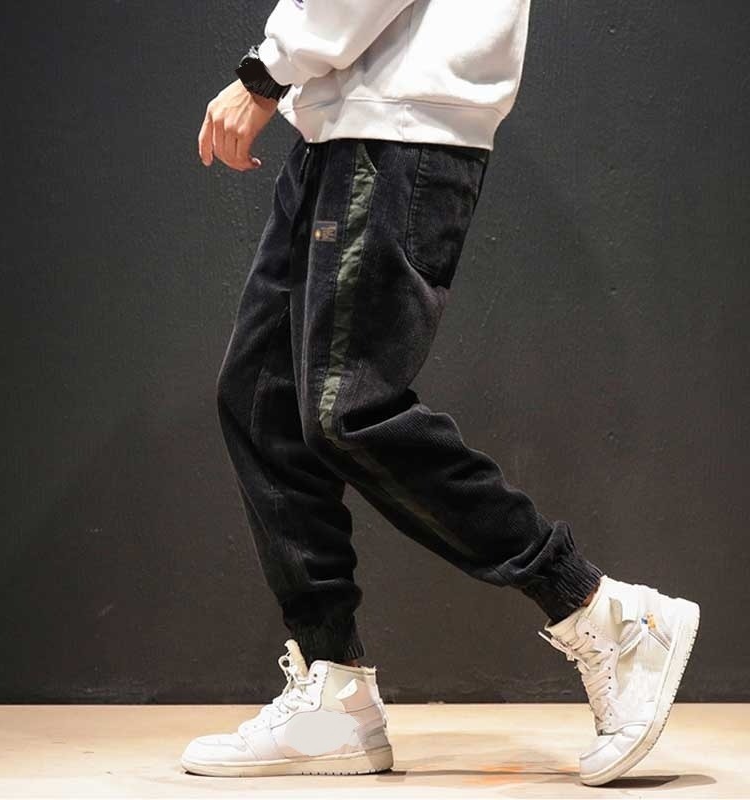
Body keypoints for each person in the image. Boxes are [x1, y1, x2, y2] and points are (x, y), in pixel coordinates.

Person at [182, 0, 700, 786]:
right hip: (343, 122)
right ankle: (333, 697)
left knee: (347, 409)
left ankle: (602, 612)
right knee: (264, 400)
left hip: (396, 124)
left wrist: (266, 73)